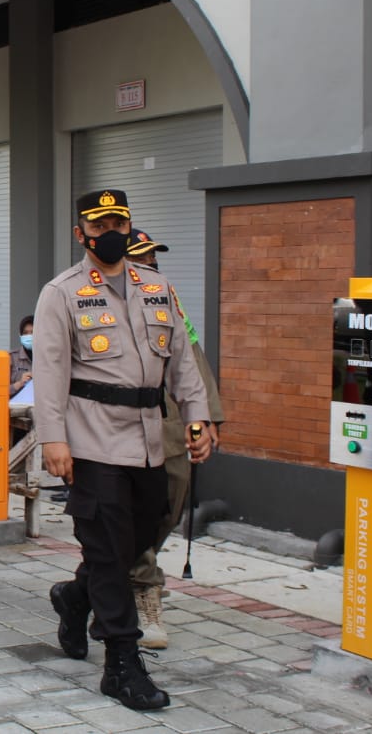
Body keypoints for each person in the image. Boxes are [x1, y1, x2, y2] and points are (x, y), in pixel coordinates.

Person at [34, 189, 211, 712]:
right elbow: (49, 372)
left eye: (118, 221)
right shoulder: (61, 293)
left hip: (150, 438)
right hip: (92, 438)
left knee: (135, 538)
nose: (110, 230)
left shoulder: (156, 286)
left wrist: (197, 416)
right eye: (100, 223)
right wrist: (53, 438)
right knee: (111, 549)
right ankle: (121, 663)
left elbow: (182, 361)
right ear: (81, 234)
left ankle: (74, 596)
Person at [124, 229, 224, 649]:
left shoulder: (168, 300)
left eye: (153, 260)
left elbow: (193, 357)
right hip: (123, 421)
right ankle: (145, 587)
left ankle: (110, 576)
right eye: (141, 261)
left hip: (171, 415)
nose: (150, 268)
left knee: (174, 496)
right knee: (134, 510)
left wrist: (207, 416)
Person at [10, 315, 33, 399]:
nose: (29, 336)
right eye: (25, 333)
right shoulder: (11, 358)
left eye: (32, 332)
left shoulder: (47, 359)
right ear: (20, 335)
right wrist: (19, 384)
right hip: (17, 409)